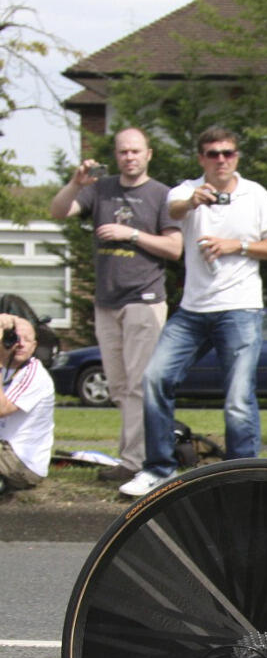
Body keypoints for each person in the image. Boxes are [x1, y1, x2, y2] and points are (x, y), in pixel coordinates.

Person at [119, 127, 267, 498]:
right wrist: (194, 201)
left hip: (240, 309)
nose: (221, 160)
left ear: (237, 156)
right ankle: (158, 469)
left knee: (238, 399)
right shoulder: (185, 190)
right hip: (193, 311)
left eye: (227, 153)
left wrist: (237, 245)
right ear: (201, 159)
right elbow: (173, 208)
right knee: (154, 378)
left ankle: (243, 477)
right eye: (212, 154)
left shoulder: (255, 195)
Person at [49, 128, 183, 484]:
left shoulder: (161, 195)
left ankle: (139, 461)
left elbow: (174, 249)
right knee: (119, 386)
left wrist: (132, 234)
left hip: (144, 299)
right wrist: (75, 183)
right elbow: (59, 211)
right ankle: (135, 456)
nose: (129, 157)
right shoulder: (101, 189)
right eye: (123, 152)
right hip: (106, 302)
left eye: (135, 151)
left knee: (140, 384)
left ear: (149, 154)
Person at [0, 314, 55, 495]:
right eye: (15, 338)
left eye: (27, 340)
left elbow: (2, 409)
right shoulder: (5, 369)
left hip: (22, 464)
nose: (20, 344)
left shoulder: (35, 374)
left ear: (34, 346)